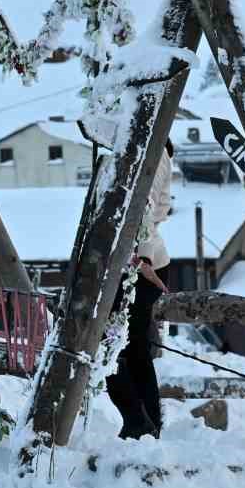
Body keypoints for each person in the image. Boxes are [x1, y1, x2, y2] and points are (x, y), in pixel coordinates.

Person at [106, 142, 173, 440]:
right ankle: (145, 425)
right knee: (132, 350)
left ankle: (138, 421)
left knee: (110, 347)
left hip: (139, 265)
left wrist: (143, 257)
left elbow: (144, 205)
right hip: (134, 263)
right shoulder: (145, 150)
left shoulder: (153, 151)